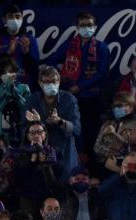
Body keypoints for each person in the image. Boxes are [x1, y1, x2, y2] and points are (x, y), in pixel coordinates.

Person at [50, 11, 110, 156]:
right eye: (82, 25)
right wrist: (59, 76)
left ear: (95, 27)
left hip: (91, 97)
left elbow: (101, 73)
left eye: (89, 25)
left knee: (91, 132)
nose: (86, 28)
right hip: (71, 96)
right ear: (76, 27)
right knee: (73, 131)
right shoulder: (70, 46)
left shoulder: (102, 48)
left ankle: (89, 165)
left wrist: (81, 86)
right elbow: (52, 60)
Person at [26, 65, 81, 176]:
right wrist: (37, 124)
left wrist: (60, 121)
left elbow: (76, 130)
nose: (51, 85)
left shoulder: (69, 99)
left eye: (54, 81)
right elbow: (24, 129)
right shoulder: (32, 100)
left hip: (64, 155)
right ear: (40, 83)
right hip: (40, 157)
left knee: (64, 188)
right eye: (47, 82)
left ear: (59, 81)